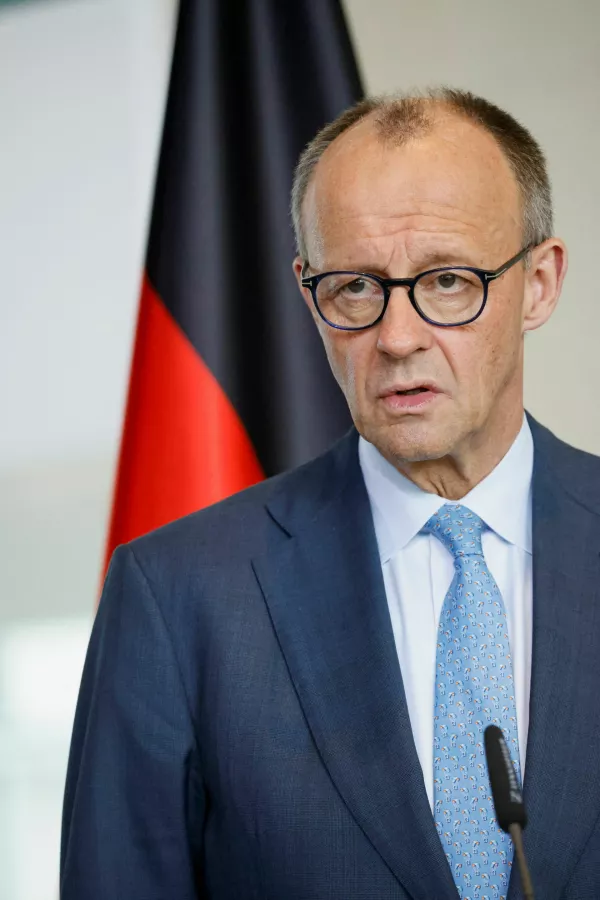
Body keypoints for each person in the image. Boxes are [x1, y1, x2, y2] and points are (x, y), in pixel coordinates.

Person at [60, 88, 600, 900]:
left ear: (539, 284)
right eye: (354, 288)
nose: (396, 336)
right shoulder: (178, 596)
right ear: (308, 292)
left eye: (448, 281)